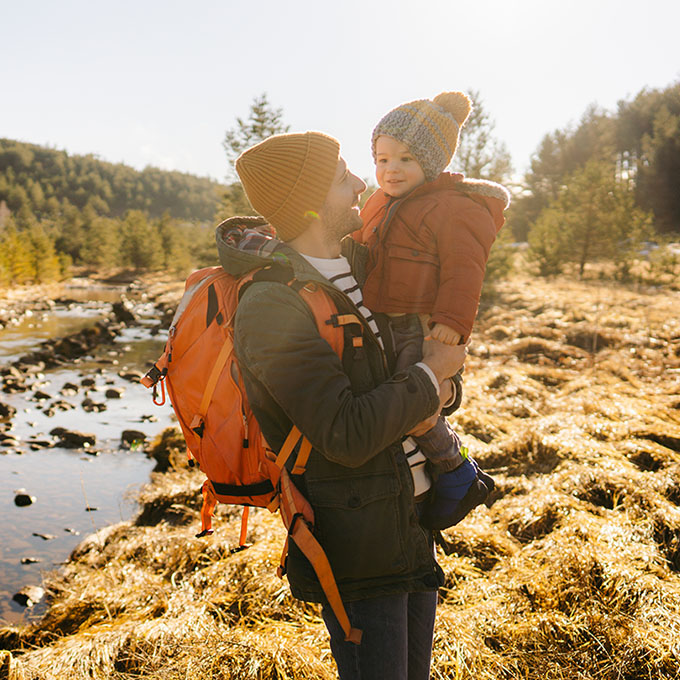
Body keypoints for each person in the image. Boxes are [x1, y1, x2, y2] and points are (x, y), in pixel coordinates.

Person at [218, 131, 466, 679]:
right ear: (304, 201)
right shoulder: (271, 305)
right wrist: (431, 380)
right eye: (340, 178)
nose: (362, 183)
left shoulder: (369, 268)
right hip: (355, 541)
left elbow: (428, 371)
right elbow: (346, 433)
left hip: (411, 517)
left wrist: (442, 385)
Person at [354, 92, 510, 529]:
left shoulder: (454, 206)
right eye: (382, 159)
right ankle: (432, 473)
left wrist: (451, 325)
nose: (390, 170)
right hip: (384, 321)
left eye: (405, 159)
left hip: (423, 326)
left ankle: (457, 472)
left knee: (416, 403)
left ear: (432, 162)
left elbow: (465, 270)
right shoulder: (379, 203)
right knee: (391, 401)